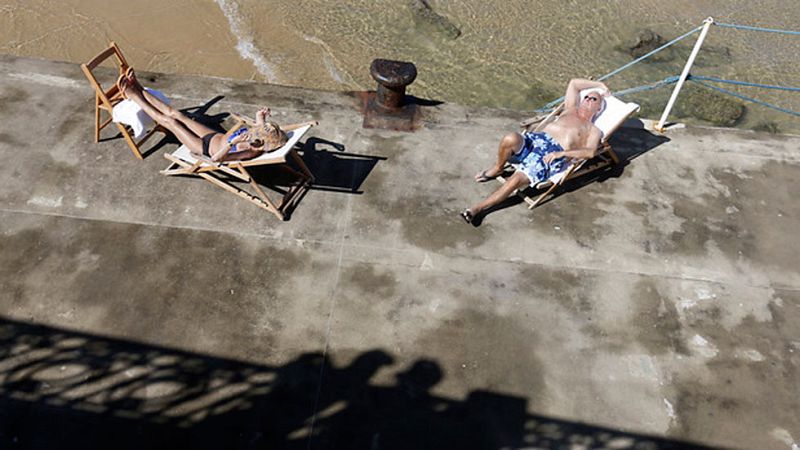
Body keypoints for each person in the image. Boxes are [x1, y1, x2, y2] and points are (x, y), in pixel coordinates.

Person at [460, 78, 611, 223]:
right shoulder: (569, 109)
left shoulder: (593, 130)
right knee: (510, 138)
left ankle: (477, 209)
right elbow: (574, 83)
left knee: (515, 180)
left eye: (594, 99)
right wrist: (600, 85)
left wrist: (562, 154)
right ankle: (498, 168)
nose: (588, 100)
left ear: (598, 109)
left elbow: (590, 152)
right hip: (534, 141)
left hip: (550, 156)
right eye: (587, 97)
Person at [118, 69, 292, 162]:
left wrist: (233, 143)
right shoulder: (258, 137)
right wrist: (261, 115)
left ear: (263, 144)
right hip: (213, 135)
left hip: (204, 147)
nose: (258, 130)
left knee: (170, 122)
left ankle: (134, 96)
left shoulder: (249, 152)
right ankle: (140, 88)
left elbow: (217, 159)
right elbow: (258, 127)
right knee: (177, 113)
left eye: (262, 132)